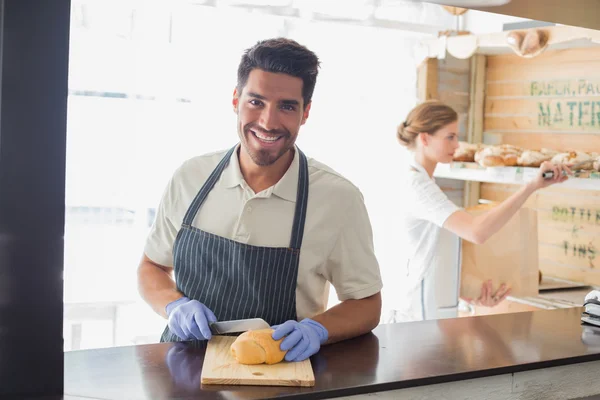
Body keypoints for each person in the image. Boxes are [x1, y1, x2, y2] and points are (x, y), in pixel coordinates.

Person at [137, 38, 383, 362]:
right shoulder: (189, 177)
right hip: (183, 373)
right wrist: (173, 304)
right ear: (236, 99)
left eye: (287, 106)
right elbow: (151, 267)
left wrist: (317, 330)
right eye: (256, 101)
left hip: (280, 375)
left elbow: (366, 304)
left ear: (305, 112)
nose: (268, 122)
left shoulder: (339, 200)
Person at [391, 100, 571, 322]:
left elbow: (431, 251)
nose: (457, 145)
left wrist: (468, 293)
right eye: (450, 137)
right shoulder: (419, 188)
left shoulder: (424, 182)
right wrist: (531, 187)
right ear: (425, 138)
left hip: (431, 313)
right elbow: (476, 231)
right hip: (417, 318)